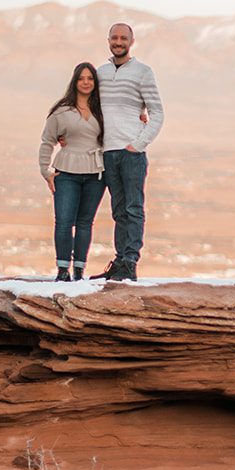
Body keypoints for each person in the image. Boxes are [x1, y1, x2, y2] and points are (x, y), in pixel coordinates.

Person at [95, 22, 164, 281]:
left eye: (124, 38)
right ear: (108, 40)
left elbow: (157, 112)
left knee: (134, 208)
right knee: (118, 210)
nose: (119, 42)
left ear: (131, 41)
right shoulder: (100, 73)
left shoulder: (143, 72)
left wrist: (139, 144)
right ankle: (119, 260)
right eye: (114, 37)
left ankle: (130, 261)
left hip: (131, 153)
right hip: (107, 151)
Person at [38, 62, 106, 281]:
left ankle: (78, 270)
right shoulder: (61, 111)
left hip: (96, 174)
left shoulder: (103, 110)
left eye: (90, 78)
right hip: (66, 173)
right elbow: (47, 141)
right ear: (74, 81)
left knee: (85, 223)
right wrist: (45, 170)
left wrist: (142, 116)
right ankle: (62, 270)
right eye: (81, 78)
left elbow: (123, 123)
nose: (86, 82)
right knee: (64, 222)